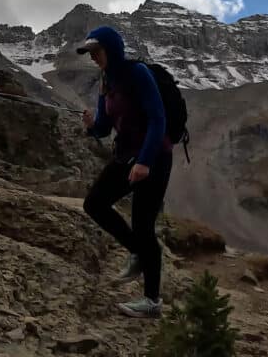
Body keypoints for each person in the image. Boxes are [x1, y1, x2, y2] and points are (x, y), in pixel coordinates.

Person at [77, 25, 173, 318]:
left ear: (112, 49)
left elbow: (158, 120)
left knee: (143, 224)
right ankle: (138, 253)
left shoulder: (137, 74)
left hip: (155, 156)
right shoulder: (107, 81)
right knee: (94, 203)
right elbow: (106, 128)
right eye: (90, 53)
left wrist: (144, 162)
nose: (93, 57)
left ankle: (152, 301)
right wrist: (93, 125)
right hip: (126, 155)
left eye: (97, 51)